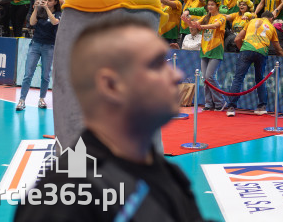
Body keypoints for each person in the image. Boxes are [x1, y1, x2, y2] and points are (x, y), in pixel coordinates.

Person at [14, 18, 206, 222]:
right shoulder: (63, 198)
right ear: (111, 85)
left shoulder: (168, 174)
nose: (177, 75)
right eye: (156, 65)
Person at [225, 11, 283, 116]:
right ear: (271, 19)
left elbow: (237, 39)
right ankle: (262, 107)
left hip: (247, 49)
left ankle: (231, 108)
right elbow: (278, 49)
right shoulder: (271, 27)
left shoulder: (251, 21)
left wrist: (242, 49)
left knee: (238, 78)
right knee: (260, 79)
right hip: (262, 51)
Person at [17, 0, 61, 110]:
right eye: (45, 0)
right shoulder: (40, 11)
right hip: (35, 45)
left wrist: (46, 9)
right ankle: (22, 100)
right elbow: (31, 23)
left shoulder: (58, 14)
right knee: (28, 74)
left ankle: (42, 99)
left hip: (49, 47)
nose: (46, 2)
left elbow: (54, 22)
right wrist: (36, 9)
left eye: (50, 0)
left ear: (55, 2)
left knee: (45, 76)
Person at [186, 0, 226, 111]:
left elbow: (215, 26)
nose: (210, 7)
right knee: (205, 78)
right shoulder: (205, 17)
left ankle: (220, 102)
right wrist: (188, 20)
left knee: (209, 76)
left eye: (212, 5)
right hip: (204, 49)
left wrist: (201, 26)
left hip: (216, 49)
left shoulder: (221, 17)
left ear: (217, 6)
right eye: (209, 5)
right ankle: (209, 104)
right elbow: (194, 28)